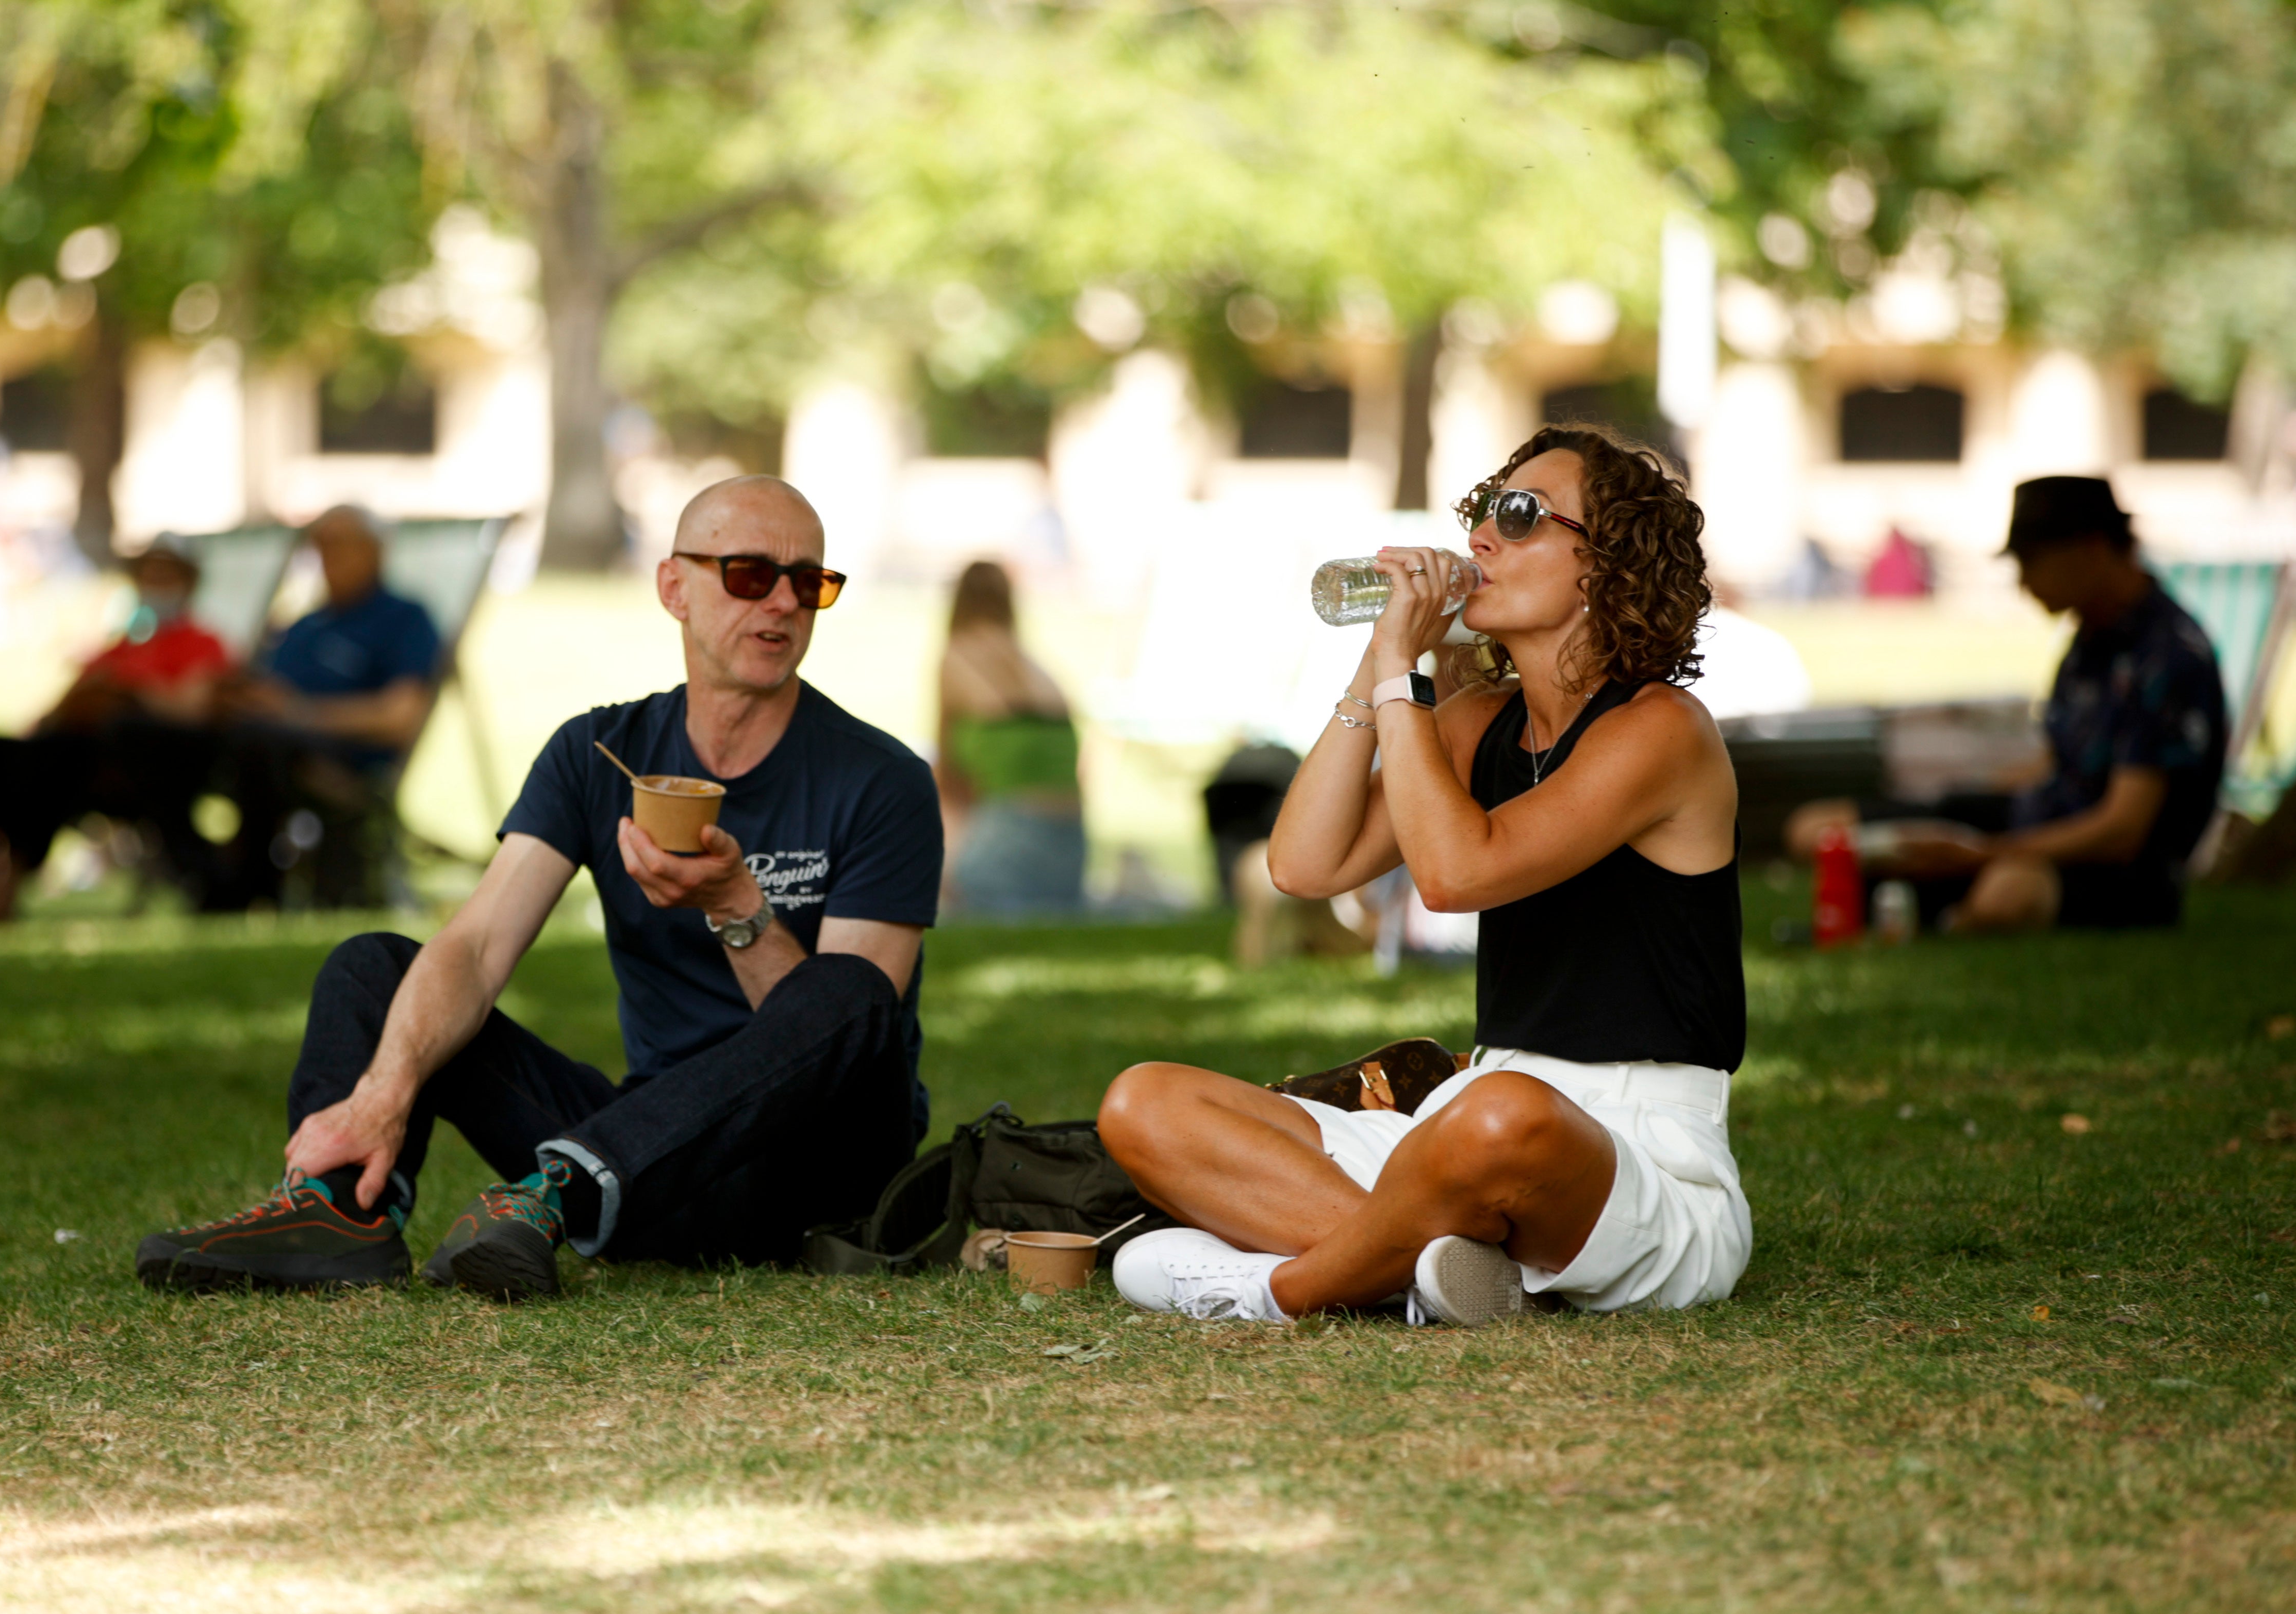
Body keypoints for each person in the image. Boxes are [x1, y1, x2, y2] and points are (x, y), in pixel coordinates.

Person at [134, 476, 943, 1300]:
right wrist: (382, 1094)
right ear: (674, 587)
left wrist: (734, 904)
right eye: (747, 574)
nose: (780, 603)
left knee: (848, 988)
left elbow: (846, 1043)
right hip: (647, 1176)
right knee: (376, 966)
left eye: (808, 583)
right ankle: (339, 1214)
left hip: (813, 1179)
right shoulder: (598, 753)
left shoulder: (881, 780)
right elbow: (479, 948)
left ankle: (559, 1188)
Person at [1097, 423, 1749, 1326]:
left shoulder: (1663, 730)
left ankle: (1279, 1290)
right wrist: (1380, 662)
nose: (1481, 535)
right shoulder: (1476, 721)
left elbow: (1452, 876)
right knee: (1147, 1103)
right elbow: (1304, 864)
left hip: (1633, 1150)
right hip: (1465, 1120)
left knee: (1502, 1118)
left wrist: (1410, 671)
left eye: (1520, 516)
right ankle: (1444, 1272)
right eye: (1483, 508)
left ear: (1605, 565)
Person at [1785, 476, 2226, 932]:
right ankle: (1922, 902)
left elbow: (2120, 832)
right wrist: (1950, 802)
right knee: (1824, 831)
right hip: (2027, 822)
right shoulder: (2089, 642)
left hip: (2110, 871)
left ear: (2092, 548)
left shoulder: (2166, 656)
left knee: (2008, 894)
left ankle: (1936, 911)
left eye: (2033, 562)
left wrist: (1981, 853)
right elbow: (2058, 763)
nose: (2024, 583)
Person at [0, 536, 233, 923]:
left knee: (60, 751)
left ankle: (5, 885)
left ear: (189, 582)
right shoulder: (120, 645)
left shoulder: (203, 643)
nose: (155, 582)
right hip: (66, 748)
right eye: (148, 573)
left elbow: (194, 709)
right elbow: (58, 709)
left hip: (133, 767)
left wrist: (128, 691)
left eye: (166, 573)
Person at [193, 505, 441, 909]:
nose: (329, 557)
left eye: (341, 545)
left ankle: (247, 890)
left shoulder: (406, 619)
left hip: (339, 761)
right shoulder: (303, 626)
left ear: (375, 551)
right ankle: (196, 871)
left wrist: (298, 711)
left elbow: (399, 717)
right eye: (321, 547)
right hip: (263, 743)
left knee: (256, 743)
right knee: (155, 737)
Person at [935, 559, 1086, 913]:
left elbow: (948, 768)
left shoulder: (956, 657)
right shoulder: (1034, 664)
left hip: (1004, 849)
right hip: (1072, 851)